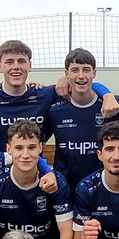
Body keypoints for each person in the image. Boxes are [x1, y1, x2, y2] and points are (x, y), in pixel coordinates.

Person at [47, 48, 108, 189]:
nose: (81, 76)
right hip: (65, 188)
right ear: (66, 74)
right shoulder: (55, 111)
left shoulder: (107, 107)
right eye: (75, 70)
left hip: (99, 189)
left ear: (94, 73)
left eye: (86, 70)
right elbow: (37, 145)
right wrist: (47, 172)